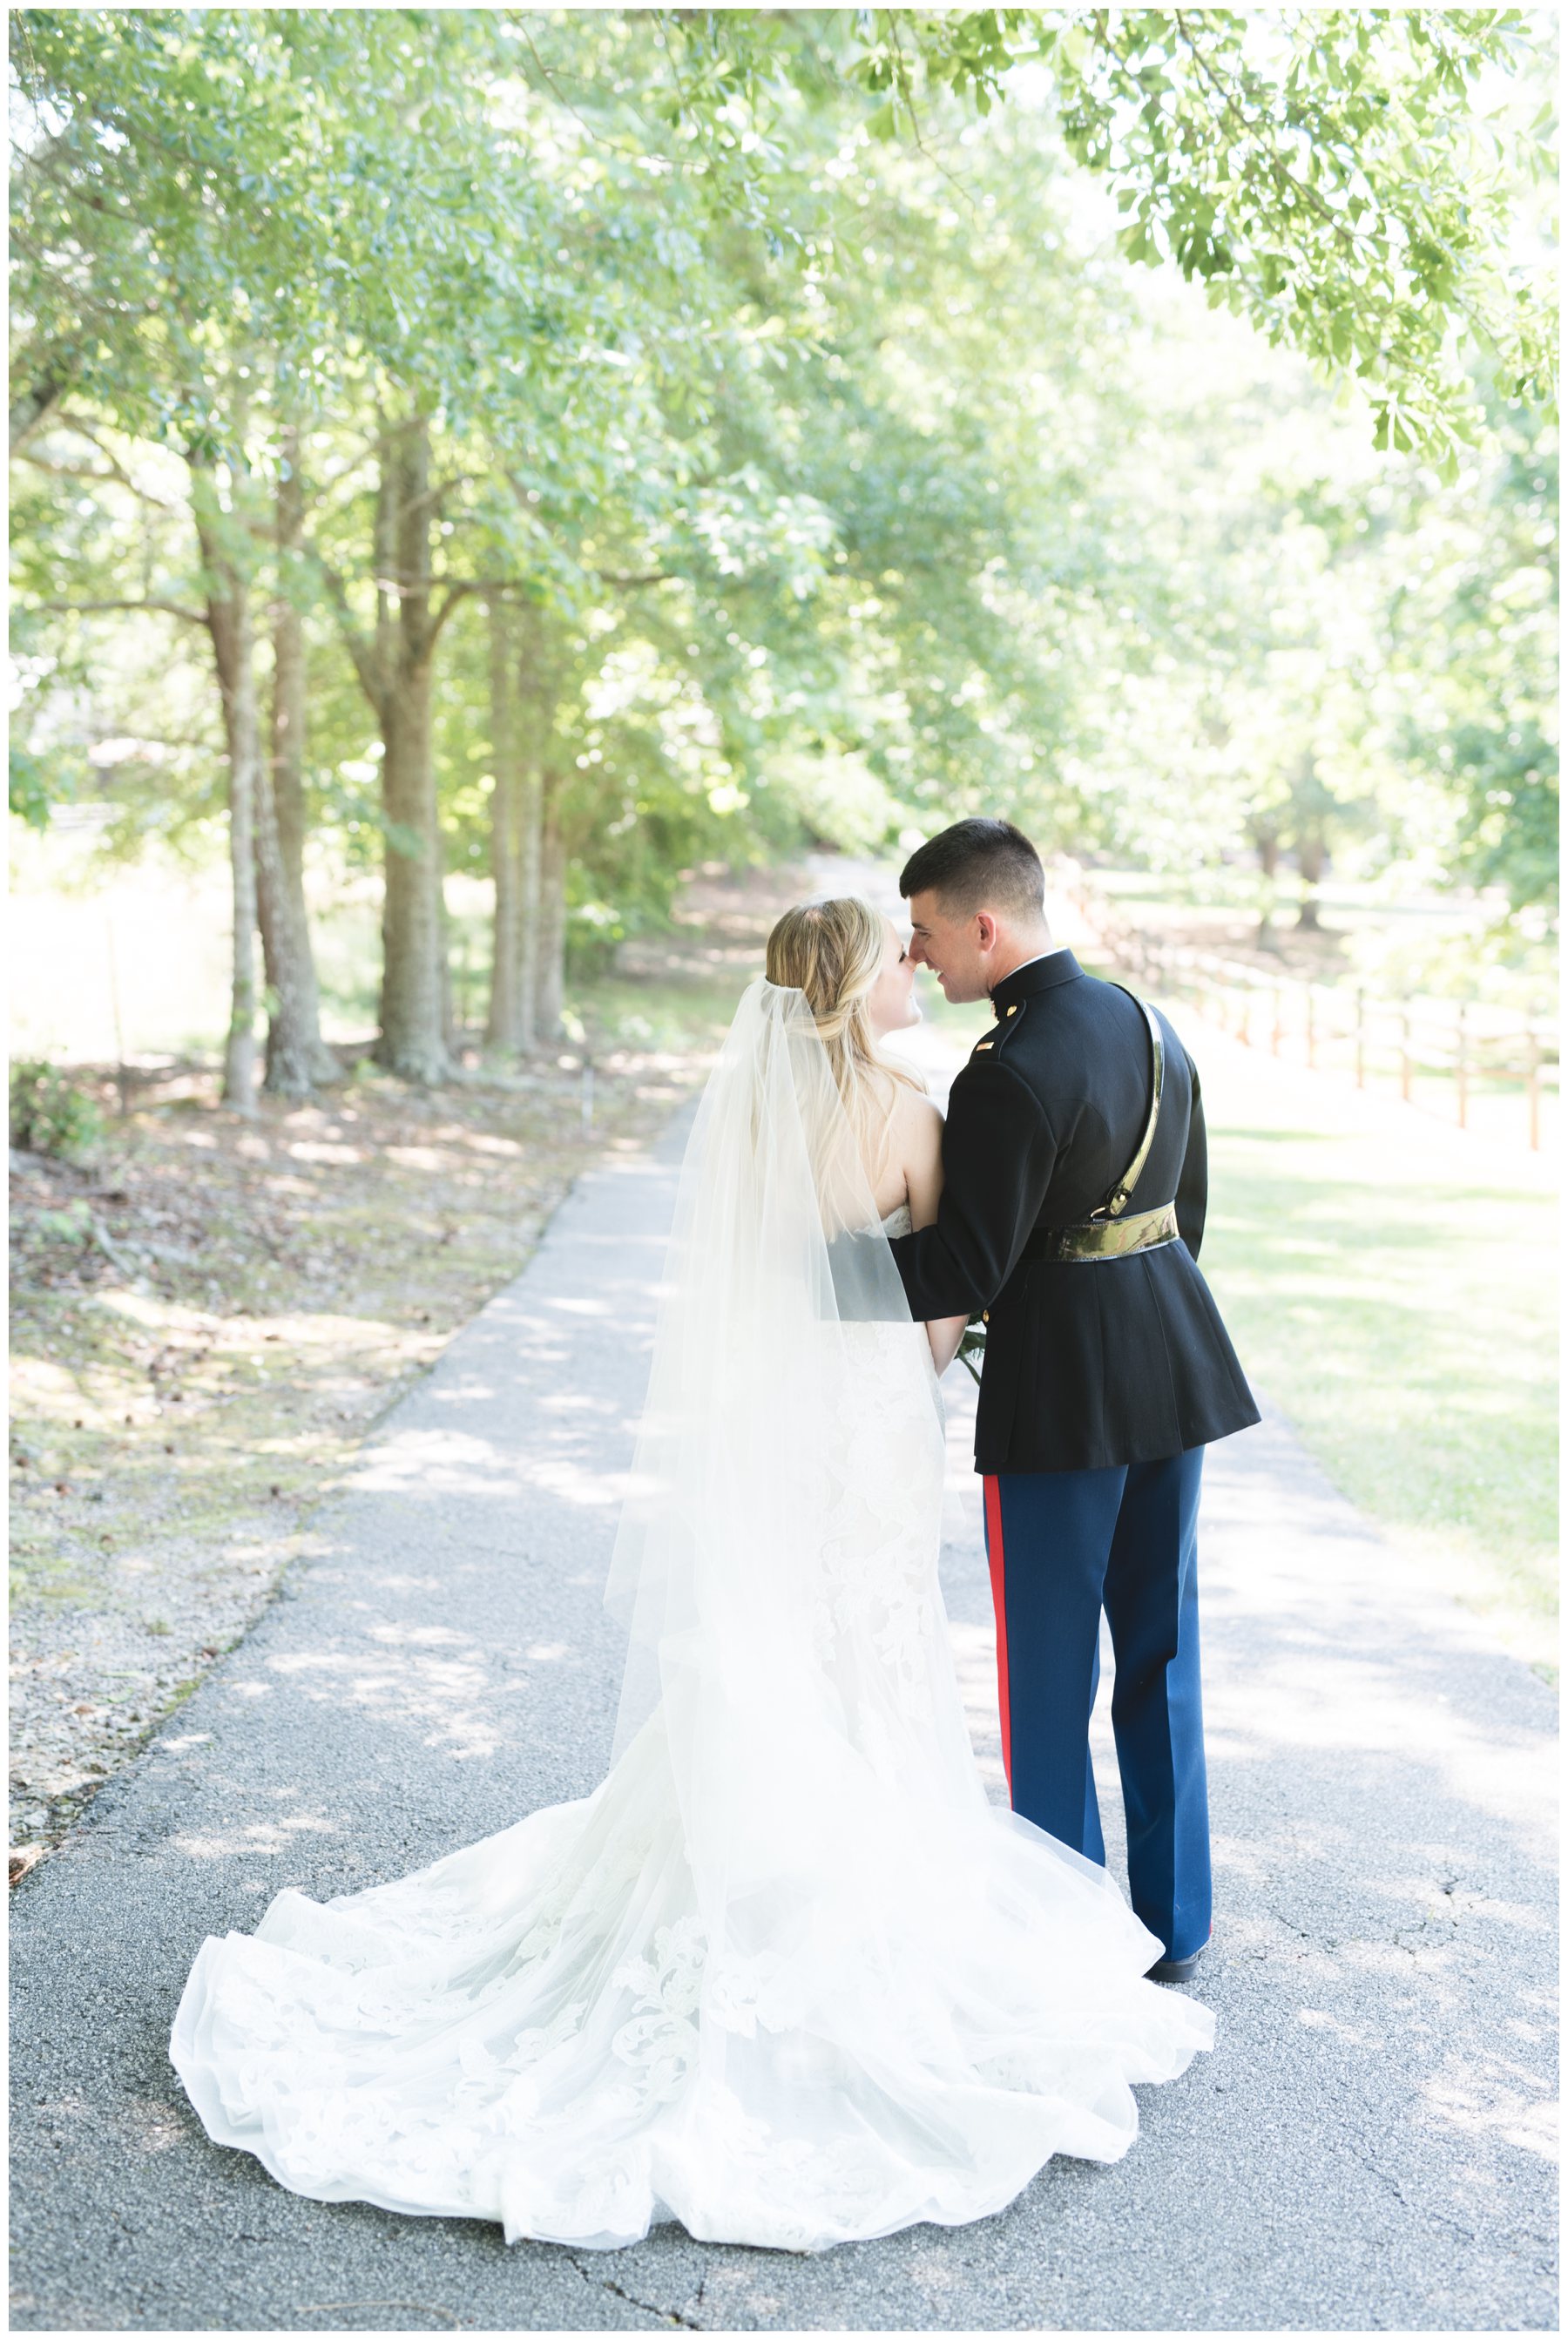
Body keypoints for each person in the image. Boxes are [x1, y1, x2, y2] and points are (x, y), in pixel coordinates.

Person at [168, 895, 1213, 2255]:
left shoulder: (748, 1120)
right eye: (896, 960)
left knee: (778, 1633)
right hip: (866, 1421)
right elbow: (938, 1311)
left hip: (773, 1422)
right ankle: (898, 1880)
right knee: (875, 1644)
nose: (915, 972)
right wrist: (919, 1379)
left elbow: (744, 1290)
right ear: (853, 993)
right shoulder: (913, 1114)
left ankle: (759, 1850)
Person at [885, 821, 1261, 1984]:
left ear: (985, 928)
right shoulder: (1151, 1025)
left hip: (1060, 1400)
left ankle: (1067, 1944)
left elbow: (962, 1270)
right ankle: (1175, 1921)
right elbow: (1185, 1210)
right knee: (1162, 1648)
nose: (920, 957)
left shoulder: (1004, 1073)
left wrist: (803, 1273)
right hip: (1174, 1366)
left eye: (930, 933)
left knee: (1047, 1677)